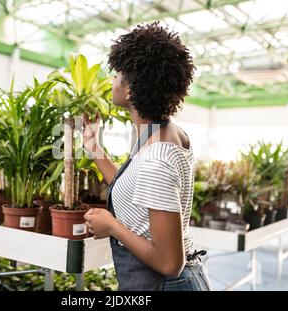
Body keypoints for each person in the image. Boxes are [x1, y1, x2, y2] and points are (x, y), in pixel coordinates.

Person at [82, 22, 211, 291]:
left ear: (130, 89)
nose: (111, 81)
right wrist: (94, 147)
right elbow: (135, 188)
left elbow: (169, 262)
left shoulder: (157, 157)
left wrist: (112, 227)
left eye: (116, 75)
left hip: (166, 284)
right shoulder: (162, 133)